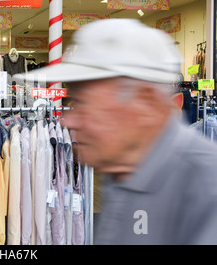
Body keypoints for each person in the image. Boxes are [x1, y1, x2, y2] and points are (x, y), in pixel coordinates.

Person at [21, 18, 217, 244]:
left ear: (143, 103)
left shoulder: (204, 190)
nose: (68, 121)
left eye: (86, 103)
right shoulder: (121, 171)